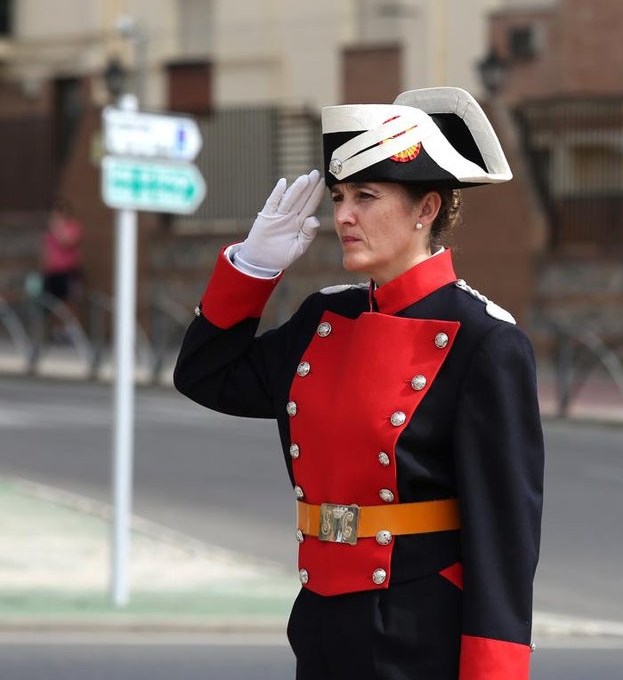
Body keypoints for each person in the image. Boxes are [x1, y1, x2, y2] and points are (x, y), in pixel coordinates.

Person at [174, 87, 544, 680]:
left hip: (420, 636)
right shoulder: (324, 317)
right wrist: (253, 267)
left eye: (366, 197)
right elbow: (206, 376)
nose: (344, 216)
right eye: (340, 197)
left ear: (427, 209)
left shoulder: (485, 341)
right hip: (321, 619)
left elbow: (504, 540)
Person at [40, 197, 84, 306]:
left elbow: (66, 243)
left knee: (69, 302)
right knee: (51, 303)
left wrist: (58, 227)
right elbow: (45, 251)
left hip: (68, 271)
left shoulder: (72, 227)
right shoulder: (49, 231)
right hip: (52, 272)